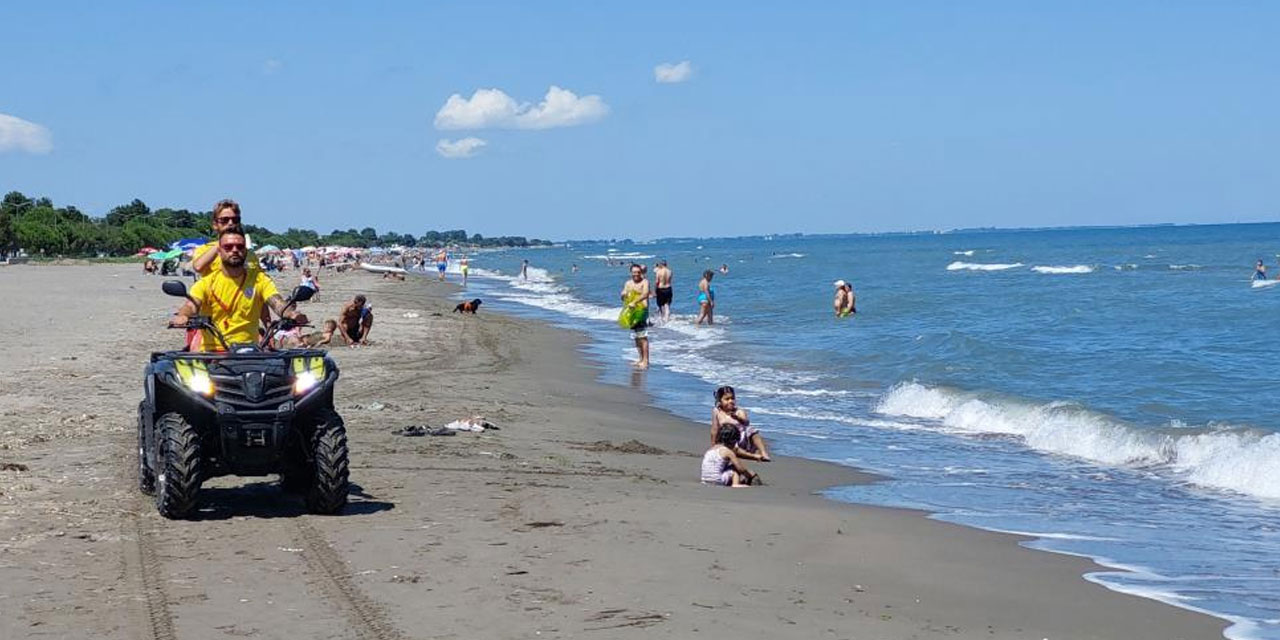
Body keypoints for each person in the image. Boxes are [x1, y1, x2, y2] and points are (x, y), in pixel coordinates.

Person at [168, 228, 307, 352]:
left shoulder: (259, 280)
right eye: (228, 247)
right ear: (219, 251)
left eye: (239, 246)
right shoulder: (206, 283)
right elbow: (191, 305)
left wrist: (291, 313)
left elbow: (276, 302)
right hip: (212, 352)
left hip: (249, 350)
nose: (234, 250)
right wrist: (183, 316)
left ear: (245, 251)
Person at [710, 385, 770, 462]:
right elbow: (714, 429)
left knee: (751, 430)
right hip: (728, 440)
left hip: (742, 439)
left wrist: (738, 418)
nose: (730, 401)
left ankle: (763, 453)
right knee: (729, 445)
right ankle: (754, 456)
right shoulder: (717, 412)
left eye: (732, 398)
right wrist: (713, 446)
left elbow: (746, 422)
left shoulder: (739, 411)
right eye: (727, 399)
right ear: (720, 401)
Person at [620, 263, 651, 369]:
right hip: (632, 312)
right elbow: (624, 294)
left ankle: (646, 361)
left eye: (638, 272)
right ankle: (640, 359)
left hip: (641, 311)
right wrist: (623, 295)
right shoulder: (628, 283)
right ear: (631, 273)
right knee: (636, 337)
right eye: (634, 272)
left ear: (641, 272)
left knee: (642, 336)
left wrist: (635, 302)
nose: (636, 274)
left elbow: (645, 294)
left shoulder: (645, 282)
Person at [653, 260, 673, 324]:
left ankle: (661, 319)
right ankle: (666, 319)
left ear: (661, 265)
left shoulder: (658, 272)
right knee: (667, 305)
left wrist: (654, 290)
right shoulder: (670, 271)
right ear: (666, 264)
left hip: (660, 289)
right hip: (668, 288)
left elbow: (657, 282)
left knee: (660, 305)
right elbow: (669, 280)